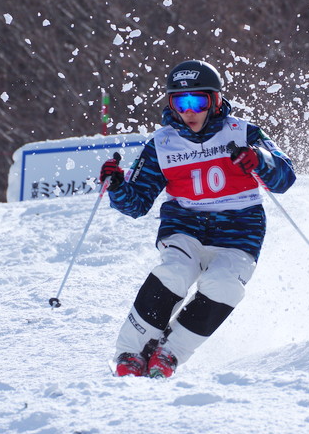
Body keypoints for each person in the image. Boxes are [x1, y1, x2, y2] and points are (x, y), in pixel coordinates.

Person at [100, 59, 296, 378]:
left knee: (225, 286)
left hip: (239, 232)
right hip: (185, 227)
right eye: (180, 102)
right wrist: (118, 185)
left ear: (215, 101)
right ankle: (131, 351)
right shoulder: (161, 144)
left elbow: (285, 179)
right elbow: (135, 205)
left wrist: (259, 159)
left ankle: (169, 352)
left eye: (198, 101)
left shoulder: (242, 132)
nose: (189, 111)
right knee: (175, 272)